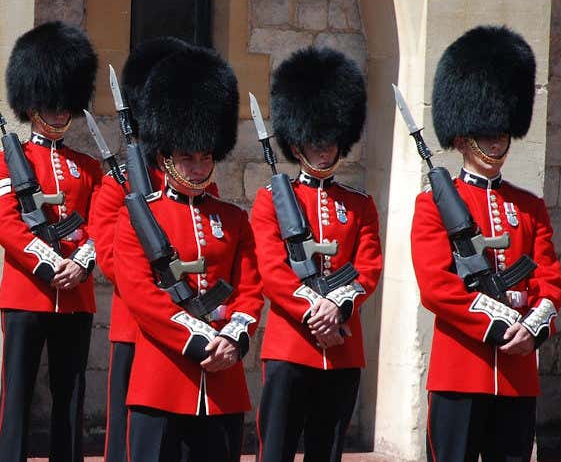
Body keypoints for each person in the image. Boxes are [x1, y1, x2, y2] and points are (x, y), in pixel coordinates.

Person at [412, 25, 561, 462]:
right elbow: (437, 287)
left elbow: (550, 280)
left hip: (517, 372)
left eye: (502, 132)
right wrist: (498, 325)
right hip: (460, 372)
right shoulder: (433, 206)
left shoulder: (529, 207)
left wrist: (532, 329)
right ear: (462, 138)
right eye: (487, 132)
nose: (498, 140)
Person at [109, 47, 263, 462]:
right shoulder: (139, 218)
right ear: (165, 157)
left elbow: (250, 288)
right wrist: (197, 340)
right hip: (162, 378)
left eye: (205, 157)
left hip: (223, 385)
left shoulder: (232, 218)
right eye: (187, 158)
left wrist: (234, 337)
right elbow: (141, 295)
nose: (198, 167)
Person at [250, 47, 382, 462]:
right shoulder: (271, 199)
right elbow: (272, 270)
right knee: (277, 451)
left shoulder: (359, 204)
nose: (324, 149)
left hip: (342, 348)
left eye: (330, 140)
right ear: (297, 140)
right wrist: (316, 312)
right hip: (290, 346)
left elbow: (369, 268)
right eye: (315, 139)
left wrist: (337, 308)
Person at [88, 35, 210, 462]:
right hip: (136, 327)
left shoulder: (198, 186)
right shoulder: (117, 183)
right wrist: (160, 279)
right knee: (131, 445)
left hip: (193, 321)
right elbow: (109, 257)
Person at [0, 21, 101, 462]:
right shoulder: (7, 160)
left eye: (63, 105)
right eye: (49, 105)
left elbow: (103, 223)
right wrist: (49, 262)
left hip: (77, 295)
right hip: (26, 292)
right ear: (32, 106)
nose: (57, 114)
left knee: (69, 393)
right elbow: (2, 222)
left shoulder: (88, 168)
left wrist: (82, 261)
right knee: (16, 394)